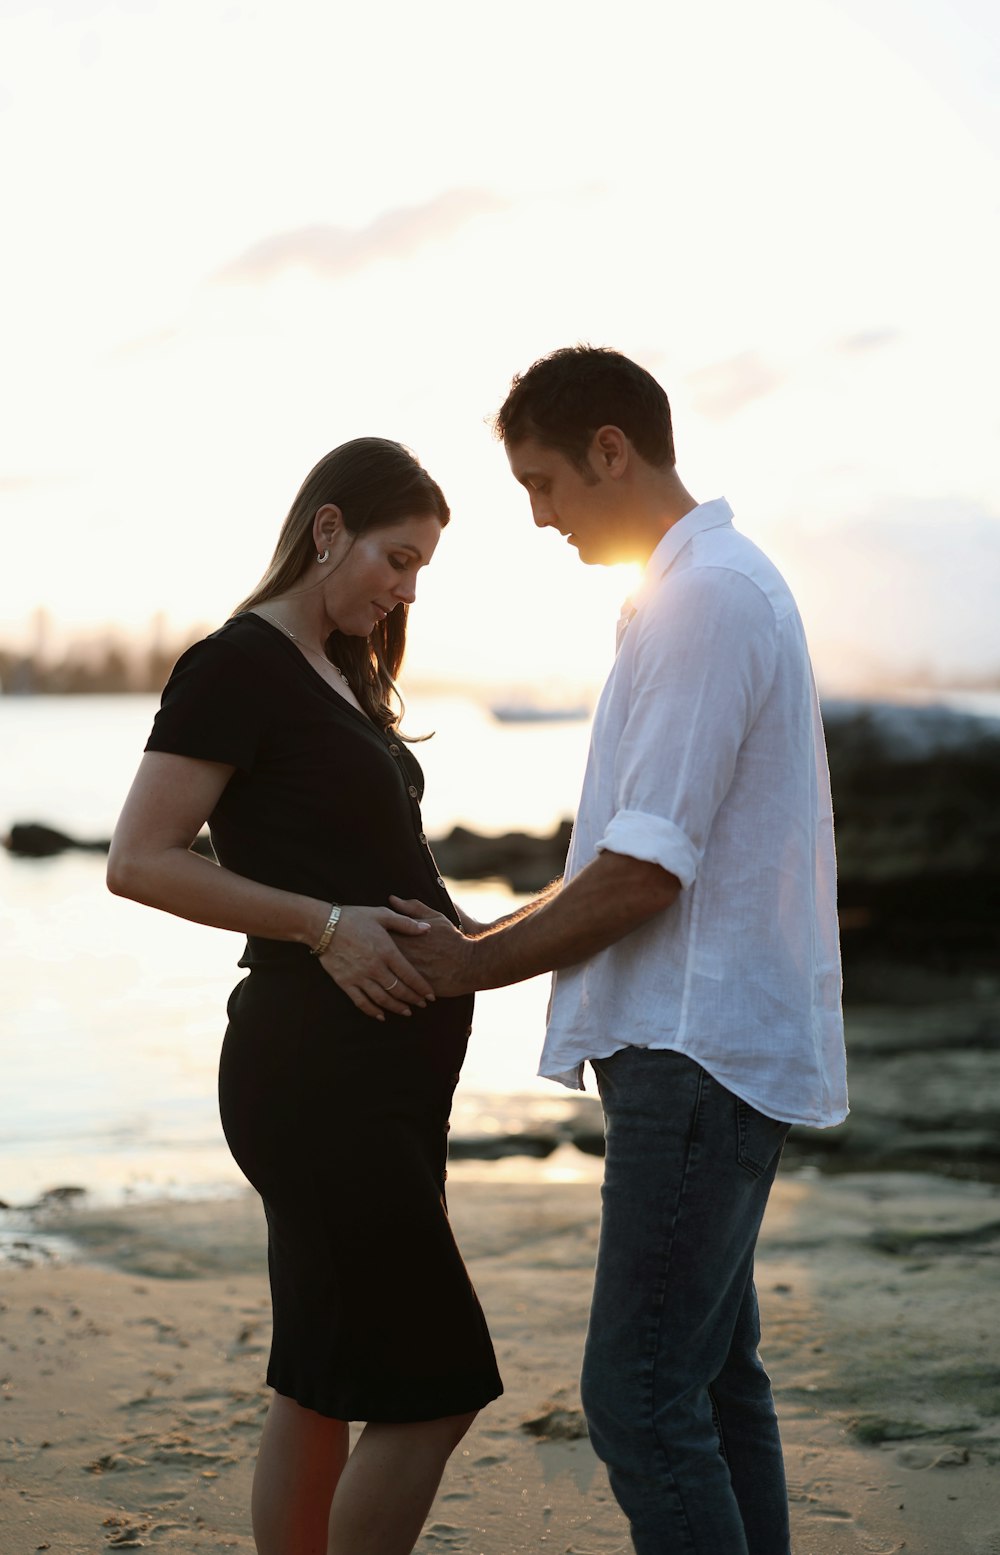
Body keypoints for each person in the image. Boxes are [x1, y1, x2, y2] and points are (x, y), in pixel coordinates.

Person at [390, 347, 848, 1555]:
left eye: (544, 482)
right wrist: (486, 937)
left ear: (612, 450)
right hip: (708, 1049)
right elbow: (636, 852)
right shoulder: (703, 589)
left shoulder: (707, 599)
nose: (536, 514)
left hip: (694, 1054)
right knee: (709, 1381)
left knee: (637, 1399)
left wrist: (466, 960)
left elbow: (645, 870)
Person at [107, 437, 502, 1555]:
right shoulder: (237, 665)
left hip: (375, 1083)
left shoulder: (341, 672)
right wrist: (323, 927)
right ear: (326, 528)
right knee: (436, 1385)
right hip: (315, 1077)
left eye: (423, 567)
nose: (406, 587)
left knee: (322, 1374)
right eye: (397, 556)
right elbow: (139, 859)